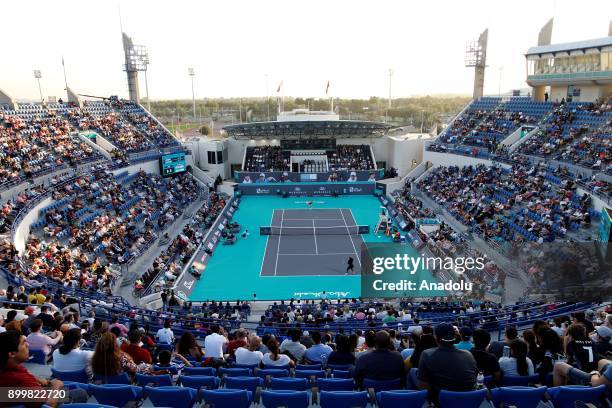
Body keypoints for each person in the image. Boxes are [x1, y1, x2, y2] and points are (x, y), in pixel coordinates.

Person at [0, 331, 87, 407]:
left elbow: (9, 393)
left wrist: (35, 379)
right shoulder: (21, 379)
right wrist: (56, 387)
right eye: (23, 343)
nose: (27, 344)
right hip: (43, 401)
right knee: (80, 393)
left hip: (21, 397)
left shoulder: (8, 370)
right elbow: (48, 404)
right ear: (12, 353)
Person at [417, 323, 478, 401]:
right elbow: (475, 377)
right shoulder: (468, 354)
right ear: (455, 336)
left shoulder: (427, 354)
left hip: (442, 401)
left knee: (413, 373)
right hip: (468, 400)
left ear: (435, 337)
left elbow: (423, 386)